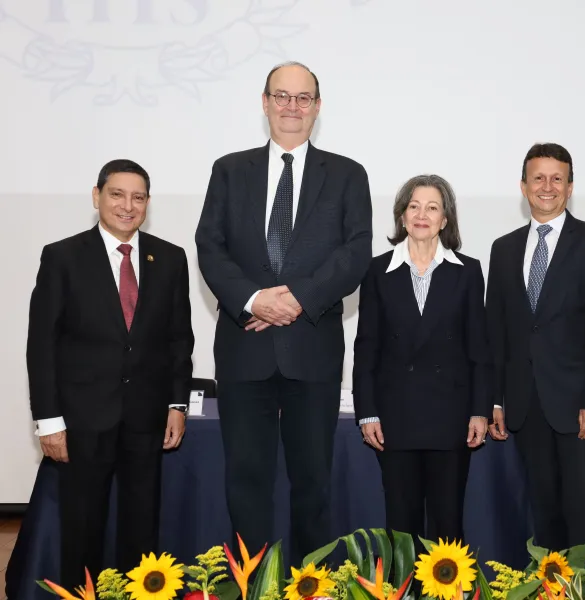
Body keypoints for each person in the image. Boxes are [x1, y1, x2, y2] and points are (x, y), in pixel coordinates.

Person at [195, 61, 372, 564]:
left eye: (303, 98)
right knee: (245, 480)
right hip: (243, 349)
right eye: (282, 96)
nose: (291, 107)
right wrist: (255, 300)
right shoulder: (229, 169)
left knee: (312, 481)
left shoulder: (347, 174)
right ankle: (252, 582)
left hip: (311, 349)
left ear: (317, 107)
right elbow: (210, 246)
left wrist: (294, 298)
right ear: (265, 101)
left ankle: (308, 586)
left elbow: (355, 253)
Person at [26, 159, 194, 589]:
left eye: (138, 197)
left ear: (148, 203)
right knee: (81, 531)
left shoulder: (170, 259)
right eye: (117, 194)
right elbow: (41, 345)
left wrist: (176, 404)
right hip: (82, 419)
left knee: (142, 532)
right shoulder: (62, 256)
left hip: (146, 419)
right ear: (97, 195)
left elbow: (179, 340)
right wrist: (48, 421)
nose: (127, 205)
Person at [486, 143, 585, 550]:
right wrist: (494, 401)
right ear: (523, 187)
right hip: (526, 408)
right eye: (538, 178)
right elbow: (497, 332)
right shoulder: (503, 248)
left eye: (557, 178)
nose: (548, 187)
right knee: (544, 518)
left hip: (579, 408)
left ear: (570, 186)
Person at [353, 174, 490, 550]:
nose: (421, 214)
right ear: (401, 216)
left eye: (432, 207)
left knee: (448, 526)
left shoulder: (468, 270)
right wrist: (367, 413)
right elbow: (366, 349)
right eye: (413, 206)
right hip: (395, 419)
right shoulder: (376, 271)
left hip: (451, 418)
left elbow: (479, 349)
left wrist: (480, 410)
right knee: (401, 528)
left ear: (446, 219)